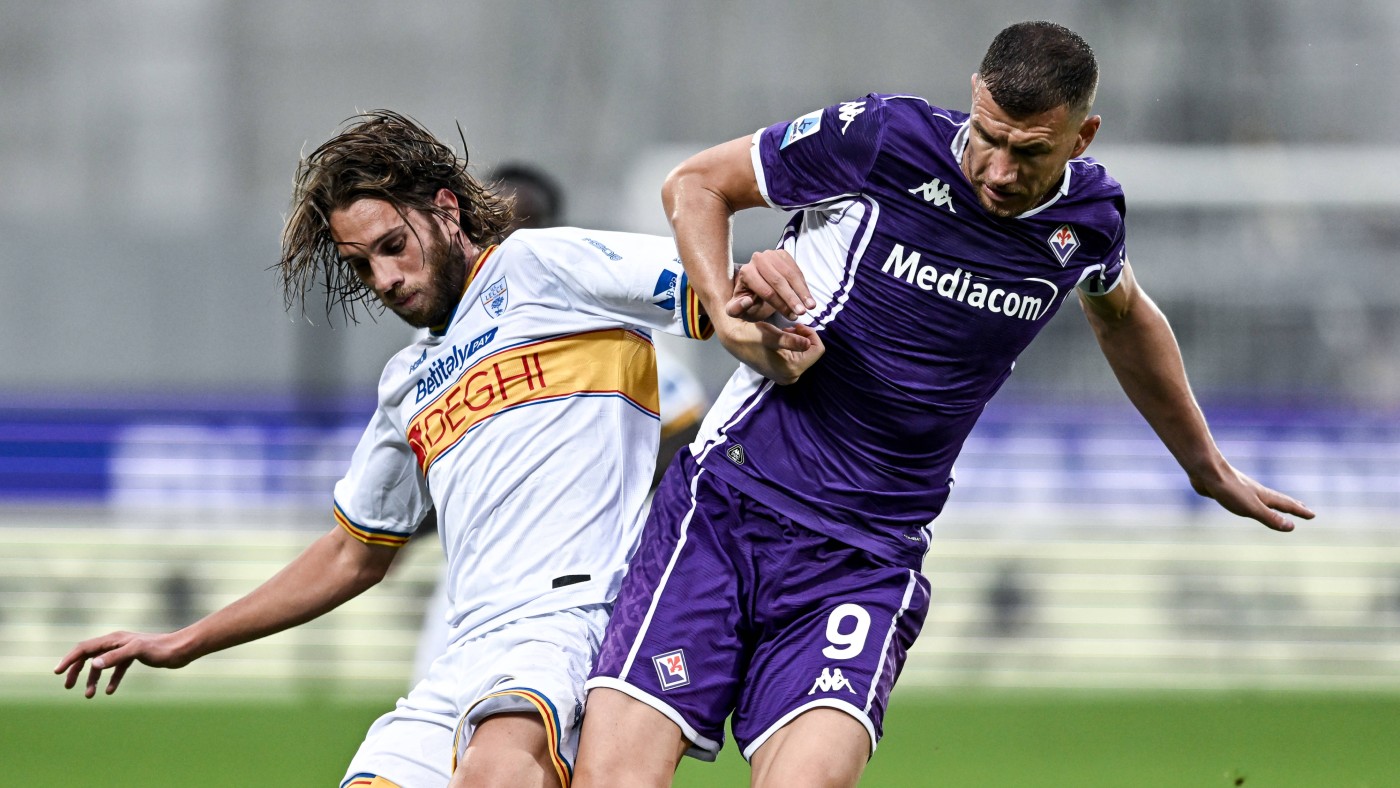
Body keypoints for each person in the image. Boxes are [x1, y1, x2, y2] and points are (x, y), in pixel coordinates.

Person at [574, 21, 1315, 788]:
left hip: (865, 557)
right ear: (974, 97)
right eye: (989, 137)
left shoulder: (1088, 221)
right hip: (727, 506)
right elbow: (696, 184)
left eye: (1030, 151)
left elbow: (1123, 314)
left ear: (1082, 137)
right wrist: (728, 319)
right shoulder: (881, 139)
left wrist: (1204, 463)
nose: (999, 169)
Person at [54, 109, 717, 788]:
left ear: (446, 209)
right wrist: (183, 641)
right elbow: (352, 554)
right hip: (462, 652)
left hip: (571, 619)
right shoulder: (408, 381)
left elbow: (718, 286)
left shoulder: (539, 265)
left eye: (393, 245)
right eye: (361, 265)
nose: (385, 278)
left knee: (497, 774)